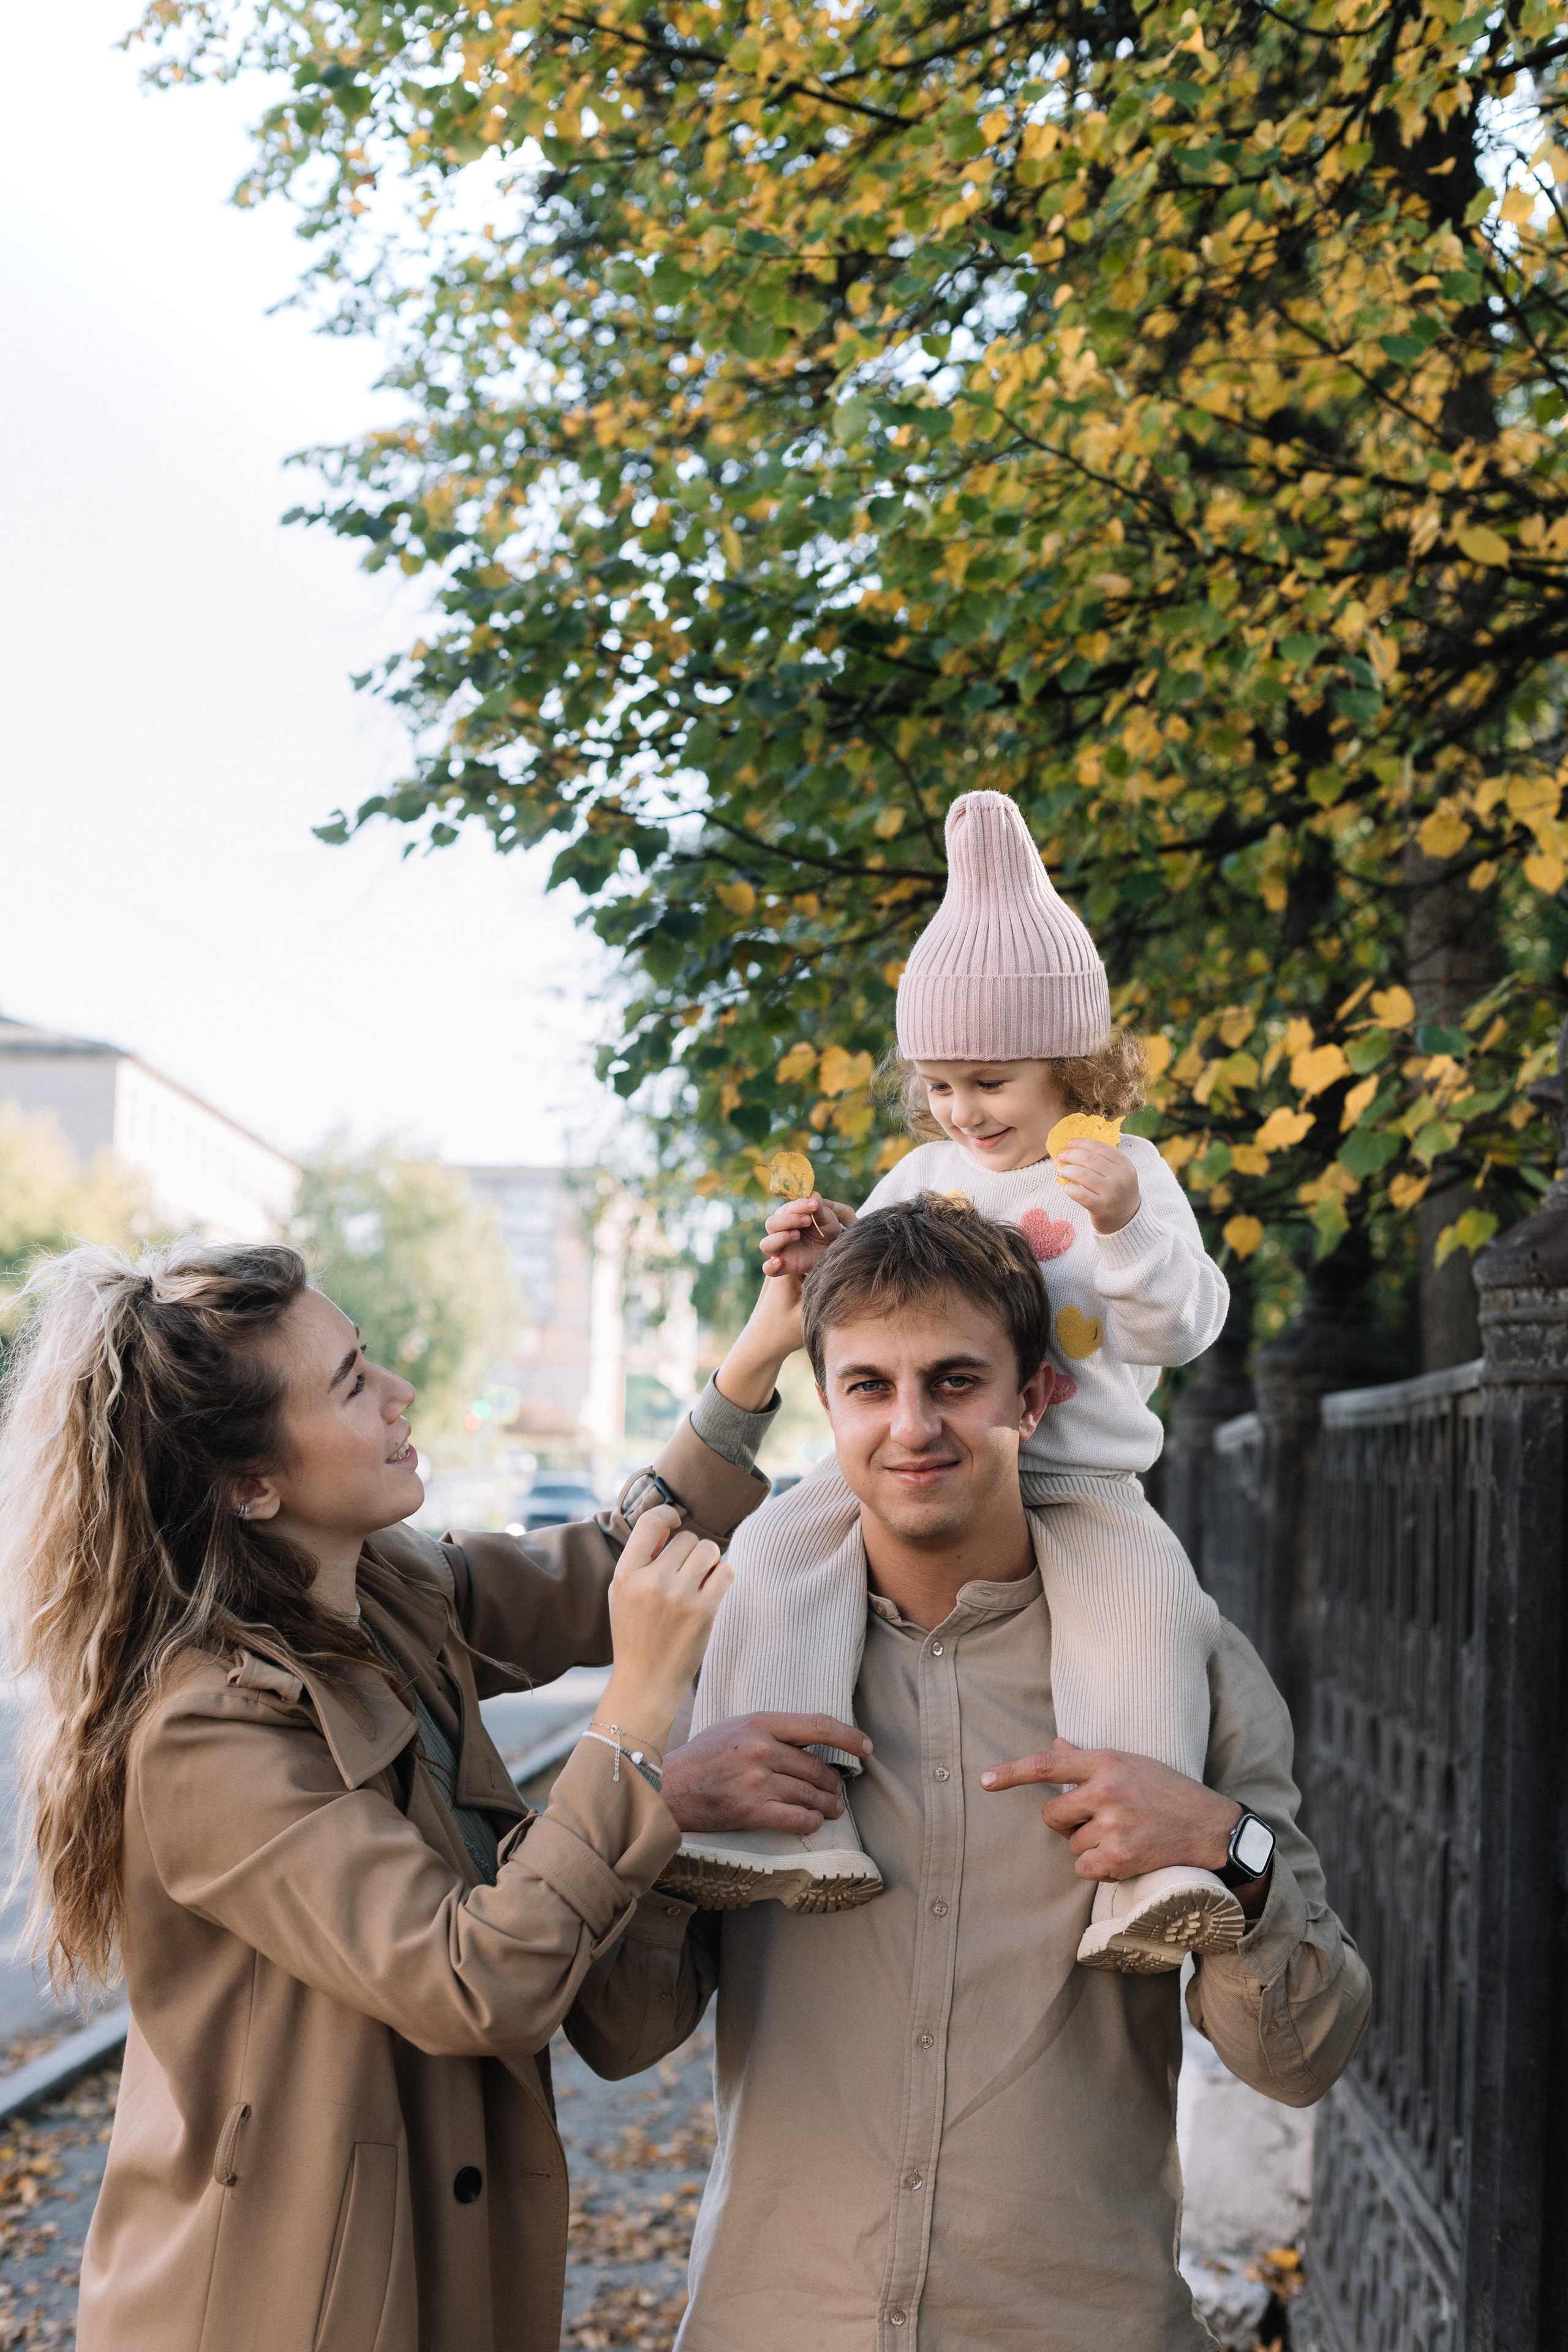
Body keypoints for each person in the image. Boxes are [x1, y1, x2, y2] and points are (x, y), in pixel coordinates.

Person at [567, 1203, 1371, 2351]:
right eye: (868, 1387)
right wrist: (659, 1812)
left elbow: (1302, 2058)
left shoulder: (1176, 1661)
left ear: (1034, 1396)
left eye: (955, 1382)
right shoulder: (727, 1666)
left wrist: (1225, 1849)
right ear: (827, 1399)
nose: (912, 1428)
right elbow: (619, 2035)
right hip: (777, 2321)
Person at [0, 1237, 778, 2352]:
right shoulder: (202, 1731)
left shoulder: (388, 1587)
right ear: (250, 1485)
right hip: (280, 2305)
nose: (401, 1393)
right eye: (354, 1383)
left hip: (433, 2256)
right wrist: (643, 1722)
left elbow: (607, 1572)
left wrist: (759, 1355)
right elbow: (476, 1979)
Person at [666, 789, 1235, 1970]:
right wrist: (827, 1258)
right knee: (776, 1552)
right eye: (940, 1082)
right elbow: (862, 1312)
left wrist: (1126, 1231)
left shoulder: (1119, 1174)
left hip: (1079, 1483)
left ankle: (1148, 1877)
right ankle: (786, 1826)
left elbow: (1187, 1327)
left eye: (991, 1081)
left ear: (1073, 1064)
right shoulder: (923, 1171)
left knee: (1145, 1613)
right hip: (917, 1465)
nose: (962, 1109)